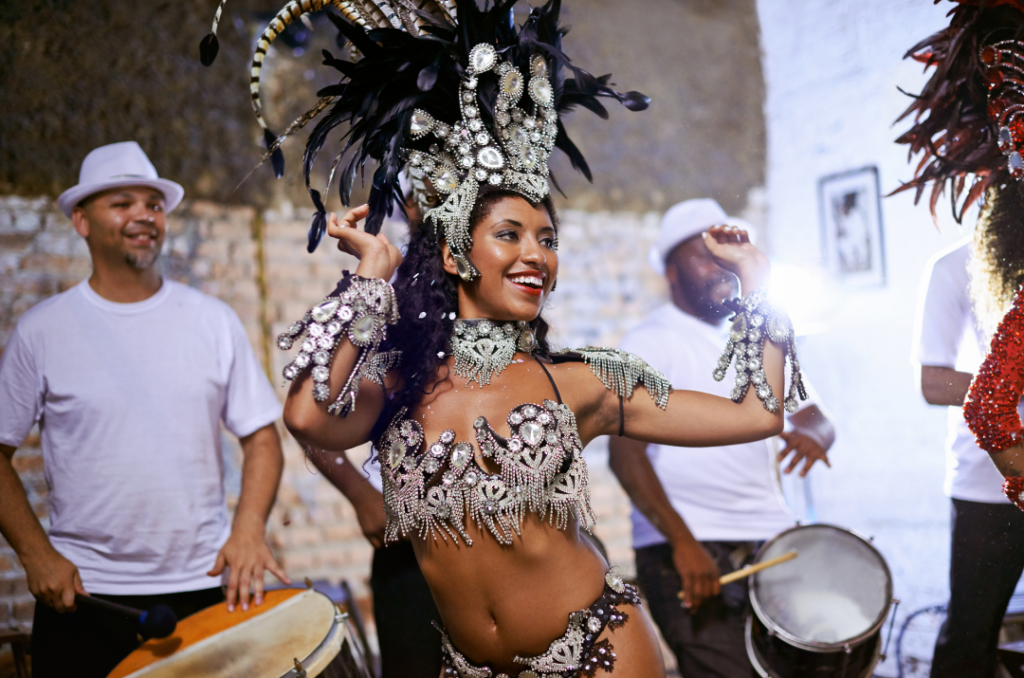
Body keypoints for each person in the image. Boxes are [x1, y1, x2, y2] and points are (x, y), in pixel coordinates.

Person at [214, 2, 807, 674]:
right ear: (454, 255)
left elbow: (759, 413)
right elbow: (307, 416)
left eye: (547, 239)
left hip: (598, 654)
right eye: (510, 235)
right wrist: (371, 280)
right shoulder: (403, 379)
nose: (537, 256)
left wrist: (758, 288)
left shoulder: (583, 380)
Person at [0, 141, 289, 678]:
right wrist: (36, 556)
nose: (143, 216)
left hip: (204, 587)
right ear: (82, 222)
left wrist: (248, 529)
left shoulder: (211, 320)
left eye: (153, 205)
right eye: (122, 203)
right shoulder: (43, 330)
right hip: (84, 597)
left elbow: (263, 438)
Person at [608, 198, 835, 678]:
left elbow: (814, 415)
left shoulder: (755, 337)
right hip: (690, 549)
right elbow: (626, 457)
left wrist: (816, 436)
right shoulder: (649, 342)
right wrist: (683, 543)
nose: (719, 267)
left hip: (769, 538)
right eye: (704, 255)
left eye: (726, 256)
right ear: (671, 271)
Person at [892, 3, 1024, 675]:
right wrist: (1007, 386)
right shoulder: (951, 269)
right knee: (970, 633)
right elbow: (932, 382)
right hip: (984, 485)